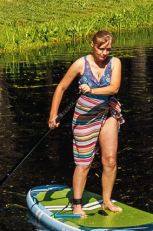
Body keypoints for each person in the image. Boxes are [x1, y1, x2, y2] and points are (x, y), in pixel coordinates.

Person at [48, 30, 123, 216]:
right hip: (84, 117)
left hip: (107, 113)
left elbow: (114, 88)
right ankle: (77, 206)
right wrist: (53, 115)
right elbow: (61, 87)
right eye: (101, 49)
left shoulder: (115, 63)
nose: (104, 53)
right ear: (92, 45)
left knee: (110, 160)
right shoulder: (81, 64)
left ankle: (106, 201)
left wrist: (91, 90)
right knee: (84, 163)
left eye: (108, 49)